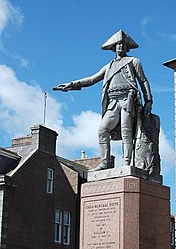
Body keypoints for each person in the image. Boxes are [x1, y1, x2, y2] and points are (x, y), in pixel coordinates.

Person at [54, 30, 152, 171]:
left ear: (127, 47)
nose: (120, 47)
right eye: (118, 44)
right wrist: (72, 84)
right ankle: (105, 161)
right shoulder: (109, 66)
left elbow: (143, 81)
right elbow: (92, 79)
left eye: (122, 44)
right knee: (102, 130)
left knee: (126, 132)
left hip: (127, 100)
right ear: (113, 47)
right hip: (112, 102)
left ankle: (126, 163)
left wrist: (148, 100)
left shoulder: (133, 61)